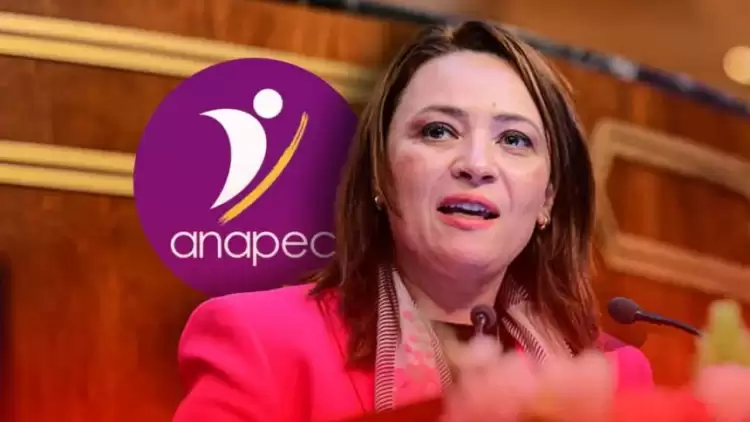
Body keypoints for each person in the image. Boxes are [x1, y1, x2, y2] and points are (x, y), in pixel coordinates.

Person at [173, 20, 654, 422]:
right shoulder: (259, 341)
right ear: (380, 174)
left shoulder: (612, 379)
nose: (476, 164)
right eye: (439, 131)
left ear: (548, 197)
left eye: (514, 140)